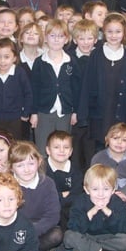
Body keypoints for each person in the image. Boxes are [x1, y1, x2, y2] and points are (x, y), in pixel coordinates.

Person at [63, 164, 126, 251]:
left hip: (109, 237)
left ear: (113, 190)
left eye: (106, 189)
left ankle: (85, 249)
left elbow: (125, 228)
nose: (101, 194)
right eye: (95, 189)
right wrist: (90, 214)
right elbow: (73, 226)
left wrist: (108, 213)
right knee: (68, 236)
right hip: (87, 235)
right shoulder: (80, 201)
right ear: (87, 190)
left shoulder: (117, 202)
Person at [78, 13, 126, 149]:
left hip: (122, 113)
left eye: (118, 31)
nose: (114, 35)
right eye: (110, 31)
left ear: (124, 32)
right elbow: (87, 86)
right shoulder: (96, 54)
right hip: (100, 114)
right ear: (103, 32)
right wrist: (83, 114)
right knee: (100, 149)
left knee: (121, 148)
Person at [31, 20, 81, 154]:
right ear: (46, 38)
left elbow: (76, 89)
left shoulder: (71, 61)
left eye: (60, 36)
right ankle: (42, 174)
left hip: (65, 111)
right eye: (52, 36)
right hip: (44, 111)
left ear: (66, 39)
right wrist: (34, 113)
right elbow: (34, 89)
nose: (56, 39)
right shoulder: (40, 62)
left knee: (62, 147)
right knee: (43, 147)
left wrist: (75, 111)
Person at [9, 141, 63, 251]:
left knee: (56, 235)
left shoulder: (47, 183)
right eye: (20, 165)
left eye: (31, 163)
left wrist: (31, 231)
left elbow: (52, 216)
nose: (26, 169)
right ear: (11, 168)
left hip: (39, 228)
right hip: (15, 228)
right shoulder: (7, 185)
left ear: (38, 162)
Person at [0, 38, 33, 141]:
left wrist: (25, 113)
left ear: (14, 57)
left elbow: (28, 94)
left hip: (15, 118)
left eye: (6, 57)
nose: (2, 61)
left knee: (15, 145)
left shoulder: (20, 73)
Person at [68, 19, 99, 171]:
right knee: (75, 150)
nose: (86, 42)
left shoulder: (100, 57)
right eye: (81, 38)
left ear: (96, 39)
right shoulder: (69, 58)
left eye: (89, 38)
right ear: (75, 40)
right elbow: (69, 89)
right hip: (76, 113)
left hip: (94, 113)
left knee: (91, 151)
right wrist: (74, 110)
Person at [90, 122, 126, 203]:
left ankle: (121, 204)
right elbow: (92, 181)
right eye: (115, 138)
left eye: (124, 140)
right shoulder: (98, 158)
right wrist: (113, 194)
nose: (119, 142)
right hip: (104, 194)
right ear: (107, 139)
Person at [45, 131, 83, 231]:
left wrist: (58, 196)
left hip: (70, 211)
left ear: (71, 152)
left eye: (66, 147)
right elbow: (45, 196)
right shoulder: (41, 169)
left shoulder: (76, 169)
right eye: (56, 147)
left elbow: (78, 194)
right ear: (48, 150)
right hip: (48, 212)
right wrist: (63, 195)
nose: (61, 151)